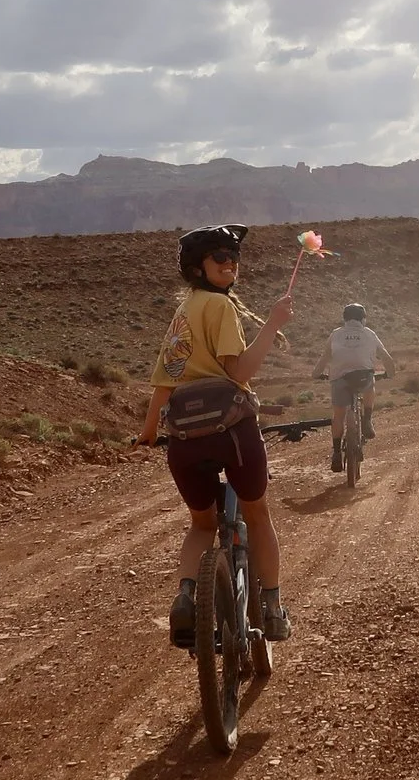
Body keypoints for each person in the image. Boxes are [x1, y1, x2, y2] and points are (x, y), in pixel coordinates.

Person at [139, 225, 295, 648]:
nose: (231, 263)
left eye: (233, 256)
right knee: (257, 514)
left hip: (185, 436)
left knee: (201, 524)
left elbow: (165, 380)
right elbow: (238, 372)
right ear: (198, 268)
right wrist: (273, 324)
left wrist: (149, 431)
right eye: (220, 257)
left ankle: (186, 597)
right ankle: (273, 609)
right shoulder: (221, 307)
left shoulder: (183, 311)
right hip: (231, 432)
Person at [313, 303, 394, 472]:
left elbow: (325, 357)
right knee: (370, 383)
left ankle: (336, 452)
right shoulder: (369, 333)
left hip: (339, 378)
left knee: (338, 416)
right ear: (363, 319)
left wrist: (316, 374)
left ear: (345, 319)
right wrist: (390, 373)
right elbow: (386, 356)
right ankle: (367, 420)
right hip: (363, 377)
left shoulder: (336, 334)